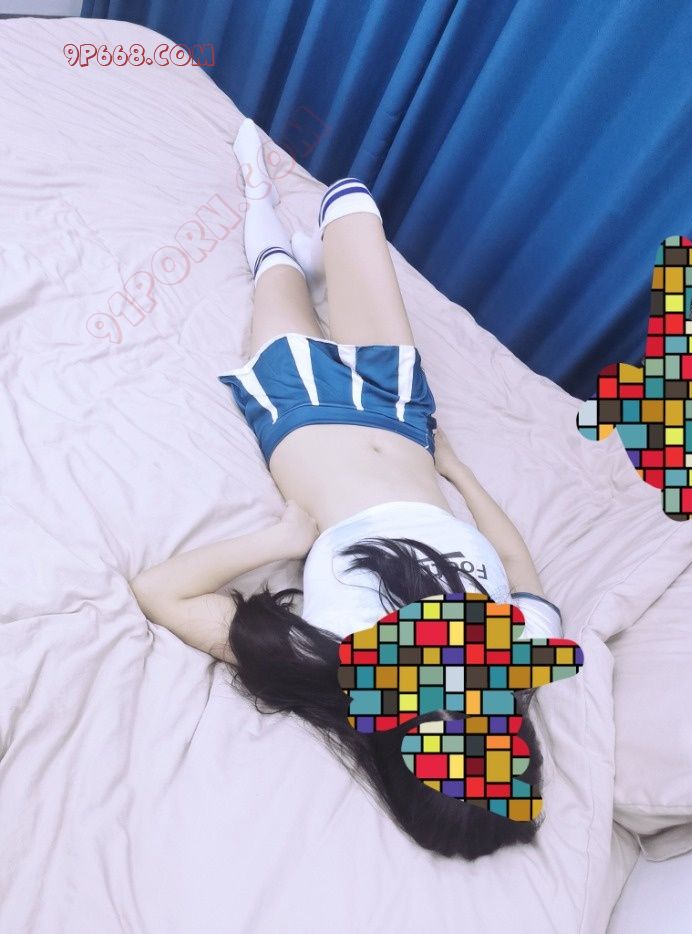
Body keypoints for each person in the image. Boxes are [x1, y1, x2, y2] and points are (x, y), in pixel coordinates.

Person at [131, 119, 563, 860]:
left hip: (297, 403)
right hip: (401, 408)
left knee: (278, 278)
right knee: (351, 203)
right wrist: (459, 472)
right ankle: (310, 266)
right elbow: (523, 572)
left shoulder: (330, 667)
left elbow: (160, 591)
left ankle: (266, 215)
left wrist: (281, 540)